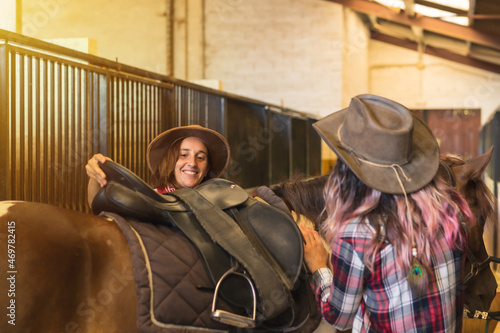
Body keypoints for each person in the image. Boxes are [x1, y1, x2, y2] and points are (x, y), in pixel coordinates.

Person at [300, 94, 473, 332]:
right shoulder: (453, 210)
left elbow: (339, 319)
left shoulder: (356, 234)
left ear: (346, 172)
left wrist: (319, 267)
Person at [85, 125, 230, 207]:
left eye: (200, 157)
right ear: (170, 163)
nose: (192, 163)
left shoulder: (220, 203)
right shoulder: (150, 198)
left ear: (207, 170)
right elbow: (98, 207)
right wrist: (97, 174)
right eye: (183, 155)